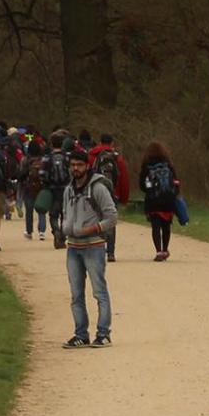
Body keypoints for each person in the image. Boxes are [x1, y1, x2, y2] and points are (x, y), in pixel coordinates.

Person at [60, 148, 119, 348]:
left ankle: (103, 333)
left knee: (99, 291)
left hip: (93, 245)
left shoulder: (98, 188)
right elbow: (65, 212)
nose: (75, 169)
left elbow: (112, 217)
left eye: (79, 165)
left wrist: (93, 229)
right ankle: (80, 334)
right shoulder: (68, 189)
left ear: (87, 166)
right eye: (73, 165)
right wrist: (65, 228)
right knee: (76, 294)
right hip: (72, 246)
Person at [139, 143, 182, 260]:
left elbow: (142, 185)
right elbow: (176, 182)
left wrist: (149, 190)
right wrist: (174, 194)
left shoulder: (146, 165)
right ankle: (165, 249)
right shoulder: (168, 164)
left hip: (153, 200)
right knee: (166, 226)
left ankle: (158, 251)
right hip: (168, 200)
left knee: (156, 226)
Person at [91, 134, 129, 262]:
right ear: (112, 143)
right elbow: (123, 179)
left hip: (95, 192)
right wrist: (124, 197)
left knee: (96, 219)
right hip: (113, 193)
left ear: (99, 142)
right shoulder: (117, 158)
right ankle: (111, 252)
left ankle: (97, 249)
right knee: (111, 220)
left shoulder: (92, 156)